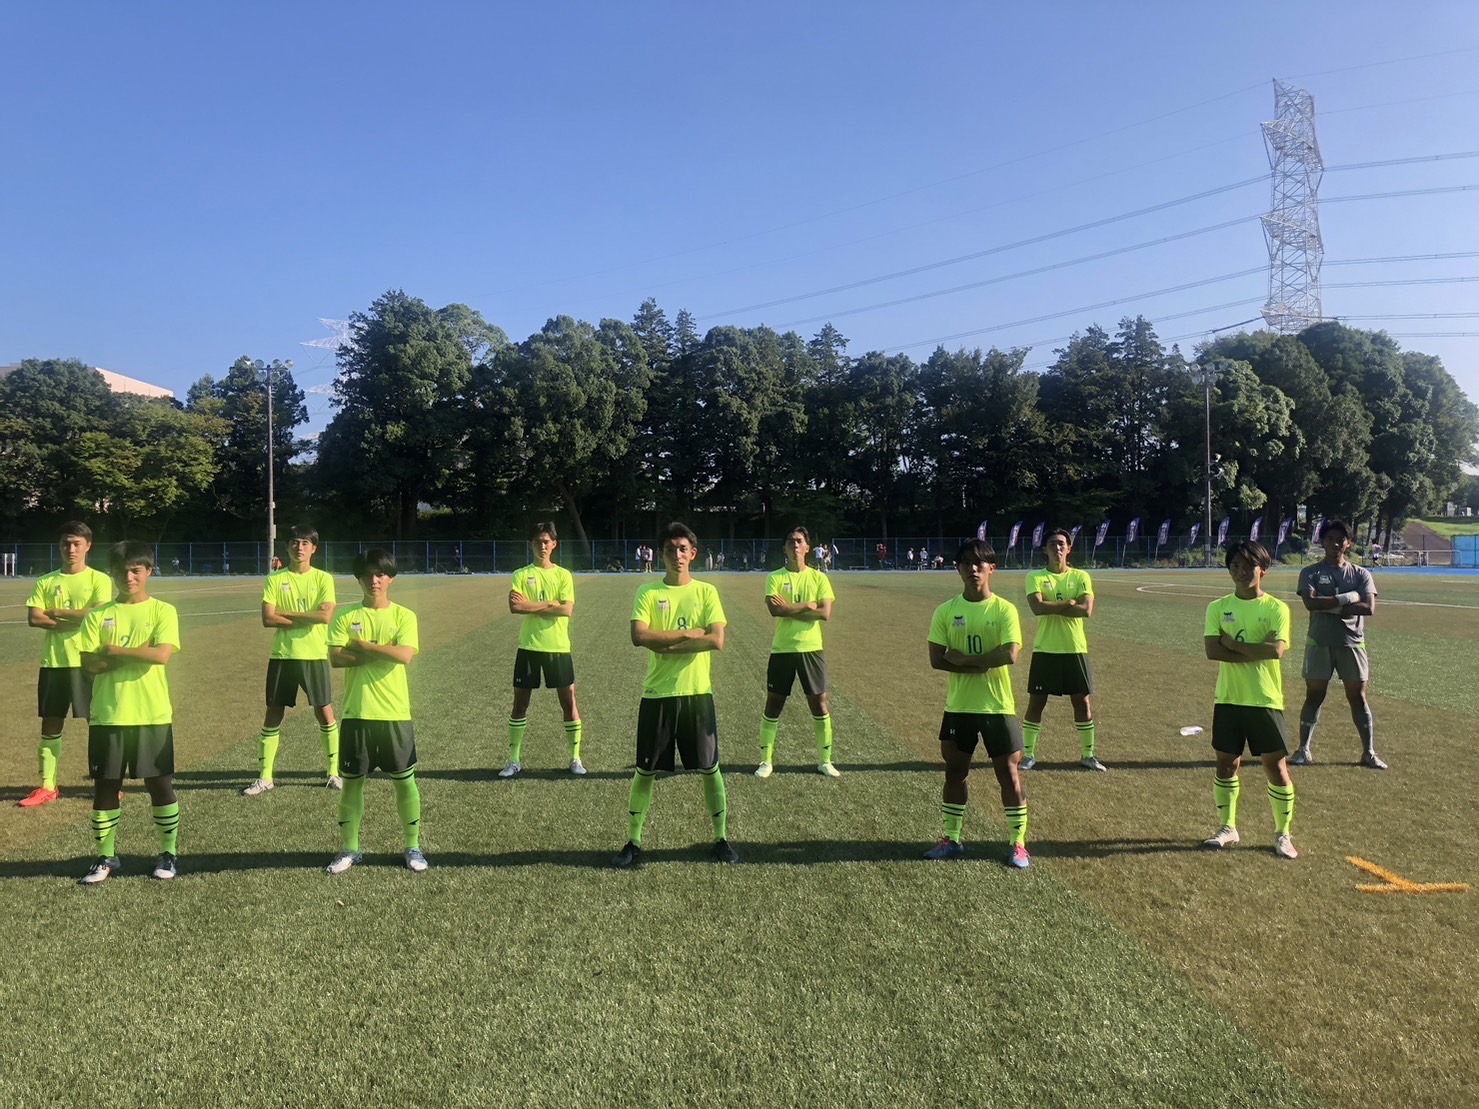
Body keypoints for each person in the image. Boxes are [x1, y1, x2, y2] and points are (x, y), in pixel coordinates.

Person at [614, 522, 736, 868]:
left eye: (683, 549)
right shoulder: (648, 593)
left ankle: (721, 839)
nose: (677, 555)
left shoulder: (707, 592)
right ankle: (634, 841)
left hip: (698, 694)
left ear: (693, 554)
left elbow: (717, 640)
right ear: (660, 555)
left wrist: (666, 642)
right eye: (671, 549)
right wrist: (690, 634)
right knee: (645, 770)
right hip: (658, 694)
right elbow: (639, 636)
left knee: (710, 768)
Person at [75, 542, 182, 884]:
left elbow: (161, 656)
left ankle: (168, 854)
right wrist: (138, 652)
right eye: (121, 571)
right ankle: (105, 857)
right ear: (112, 573)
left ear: (149, 571)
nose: (129, 577)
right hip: (108, 714)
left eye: (136, 570)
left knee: (159, 784)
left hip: (152, 713)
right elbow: (89, 665)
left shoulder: (163, 611)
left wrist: (114, 651)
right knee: (106, 787)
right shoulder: (97, 616)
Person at [923, 539, 1030, 868]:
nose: (973, 568)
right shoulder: (945, 611)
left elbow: (1009, 654)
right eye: (966, 563)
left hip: (998, 706)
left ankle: (1018, 844)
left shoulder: (1004, 610)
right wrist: (982, 662)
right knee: (955, 772)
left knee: (1008, 773)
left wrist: (966, 660)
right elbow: (937, 659)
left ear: (991, 569)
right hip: (959, 707)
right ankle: (952, 839)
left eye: (980, 563)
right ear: (957, 568)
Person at [325, 548, 426, 874]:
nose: (374, 580)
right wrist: (386, 650)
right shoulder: (345, 616)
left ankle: (412, 847)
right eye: (368, 574)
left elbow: (405, 656)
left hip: (395, 713)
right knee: (353, 784)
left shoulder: (404, 616)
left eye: (380, 574)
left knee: (405, 782)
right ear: (359, 578)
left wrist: (363, 646)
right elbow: (336, 658)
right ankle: (350, 849)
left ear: (390, 578)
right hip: (357, 713)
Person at [1201, 540, 1298, 859]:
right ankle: (1227, 827)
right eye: (1235, 566)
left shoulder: (1276, 608)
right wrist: (1255, 650)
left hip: (1265, 699)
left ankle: (1282, 833)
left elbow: (1276, 651)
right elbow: (1213, 651)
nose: (1241, 572)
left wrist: (1233, 645)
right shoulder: (1217, 607)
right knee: (1226, 764)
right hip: (1228, 698)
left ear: (1263, 569)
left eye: (1248, 566)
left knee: (1276, 766)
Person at [20, 522, 113, 808]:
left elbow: (99, 614)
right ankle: (48, 786)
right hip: (54, 663)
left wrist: (59, 612)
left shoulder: (99, 579)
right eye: (65, 544)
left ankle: (106, 784)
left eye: (76, 544)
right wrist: (78, 619)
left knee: (97, 723)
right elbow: (34, 618)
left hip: (88, 662)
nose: (70, 549)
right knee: (50, 723)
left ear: (88, 546)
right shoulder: (45, 581)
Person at [243, 526, 340, 797]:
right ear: (287, 547)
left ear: (314, 549)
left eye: (306, 543)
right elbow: (268, 619)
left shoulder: (324, 579)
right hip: (283, 655)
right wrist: (307, 616)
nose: (300, 547)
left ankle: (333, 773)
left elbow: (325, 617)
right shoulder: (275, 579)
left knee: (324, 712)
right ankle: (265, 777)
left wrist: (286, 614)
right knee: (273, 714)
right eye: (295, 542)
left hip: (314, 654)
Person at [1291, 520, 1385, 769]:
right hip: (1319, 642)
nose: (1335, 544)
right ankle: (1303, 750)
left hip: (1352, 643)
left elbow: (1368, 608)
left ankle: (1368, 752)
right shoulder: (1310, 573)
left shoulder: (1361, 574)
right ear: (1322, 542)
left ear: (1348, 543)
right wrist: (1347, 598)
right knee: (1314, 695)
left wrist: (1329, 604)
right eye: (1330, 539)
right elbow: (1310, 603)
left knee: (1358, 697)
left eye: (1340, 540)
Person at [500, 521, 584, 778]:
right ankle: (514, 760)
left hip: (558, 647)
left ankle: (575, 758)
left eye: (546, 542)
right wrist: (551, 604)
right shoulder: (521, 574)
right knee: (519, 705)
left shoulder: (564, 575)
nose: (542, 546)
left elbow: (566, 609)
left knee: (568, 702)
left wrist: (534, 605)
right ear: (531, 545)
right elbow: (516, 607)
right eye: (537, 542)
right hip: (529, 647)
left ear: (554, 544)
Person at [756, 526, 838, 779]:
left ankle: (825, 761)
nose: (795, 545)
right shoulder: (775, 578)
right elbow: (775, 610)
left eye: (799, 541)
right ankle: (766, 761)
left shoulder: (819, 578)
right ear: (784, 547)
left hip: (811, 648)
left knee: (819, 703)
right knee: (774, 703)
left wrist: (790, 608)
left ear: (807, 548)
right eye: (791, 541)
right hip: (782, 648)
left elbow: (824, 613)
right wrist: (806, 605)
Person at [1021, 527, 1103, 771]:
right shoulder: (1035, 577)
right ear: (1044, 549)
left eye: (1061, 544)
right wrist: (1068, 602)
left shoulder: (1081, 576)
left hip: (1075, 648)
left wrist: (1052, 605)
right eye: (1052, 544)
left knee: (1082, 703)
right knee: (1036, 703)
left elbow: (1086, 610)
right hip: (1045, 649)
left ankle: (1088, 755)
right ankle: (1028, 755)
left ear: (1069, 548)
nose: (1057, 548)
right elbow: (1037, 608)